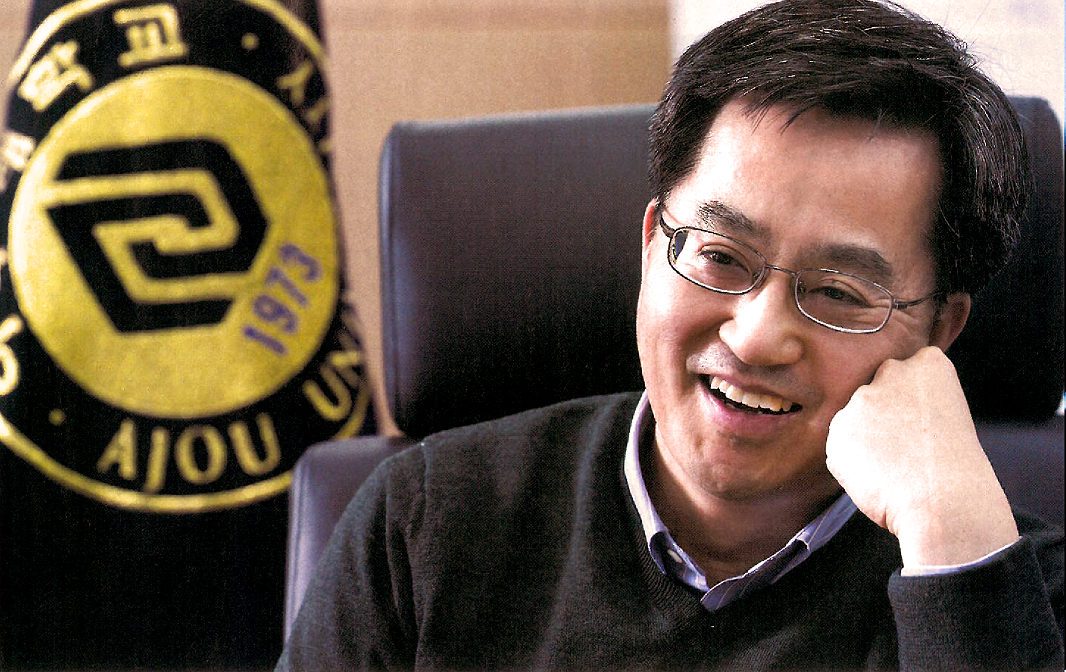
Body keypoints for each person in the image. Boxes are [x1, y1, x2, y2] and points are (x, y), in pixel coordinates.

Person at [278, 0, 1064, 669]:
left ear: (937, 330)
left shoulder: (1026, 600)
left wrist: (956, 556)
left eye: (838, 292)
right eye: (721, 256)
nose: (756, 338)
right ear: (653, 243)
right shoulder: (425, 527)